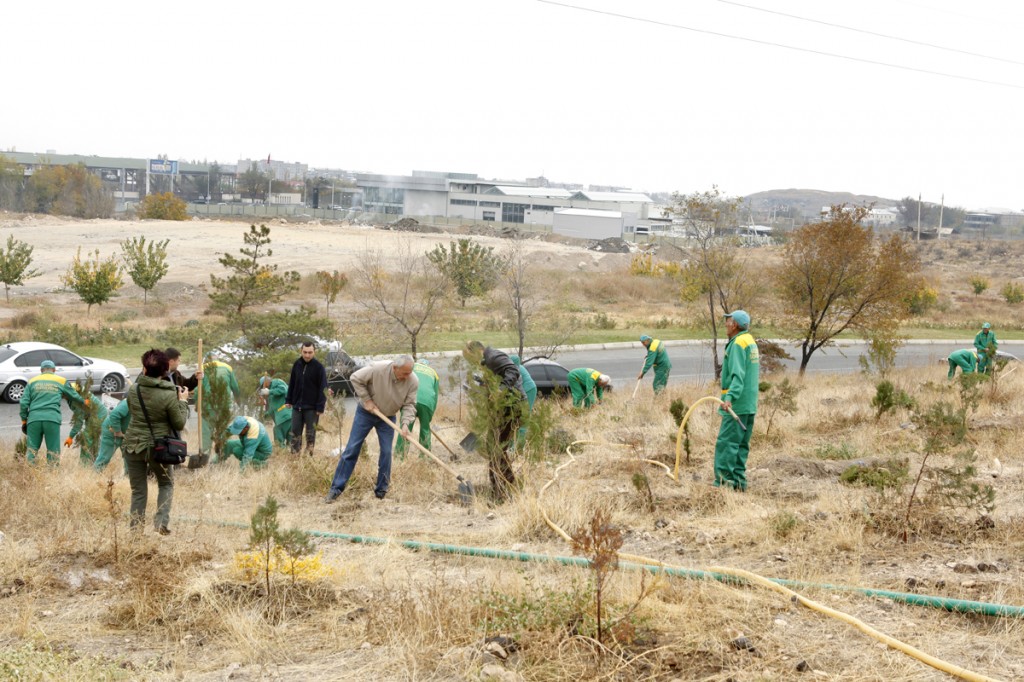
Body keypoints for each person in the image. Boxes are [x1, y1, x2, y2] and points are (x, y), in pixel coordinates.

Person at [325, 356, 417, 503]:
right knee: (352, 448)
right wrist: (367, 400)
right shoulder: (378, 369)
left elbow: (409, 404)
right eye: (405, 373)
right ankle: (335, 489)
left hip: (388, 418)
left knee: (386, 452)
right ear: (395, 368)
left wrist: (405, 424)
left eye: (410, 373)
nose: (408, 376)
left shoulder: (412, 381)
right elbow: (355, 378)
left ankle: (381, 491)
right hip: (366, 413)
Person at [123, 349, 189, 535]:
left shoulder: (134, 390)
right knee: (165, 484)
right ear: (165, 371)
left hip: (133, 445)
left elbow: (133, 411)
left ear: (144, 369)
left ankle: (135, 531)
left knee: (138, 491)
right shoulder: (169, 394)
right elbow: (179, 423)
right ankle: (161, 524)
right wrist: (183, 402)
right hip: (158, 447)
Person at [462, 341, 527, 494]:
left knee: (497, 447)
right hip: (503, 409)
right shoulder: (487, 361)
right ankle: (505, 485)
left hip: (512, 407)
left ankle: (501, 489)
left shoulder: (494, 356)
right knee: (495, 447)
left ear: (478, 351)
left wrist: (500, 389)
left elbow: (513, 371)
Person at [714, 310, 760, 492]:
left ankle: (723, 486)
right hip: (749, 404)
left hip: (737, 405)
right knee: (741, 445)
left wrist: (729, 398)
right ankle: (739, 484)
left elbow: (738, 375)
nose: (726, 324)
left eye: (728, 321)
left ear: (734, 325)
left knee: (727, 444)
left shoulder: (737, 344)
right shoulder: (749, 340)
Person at [20, 360, 86, 465]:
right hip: (52, 419)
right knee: (53, 450)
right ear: (54, 370)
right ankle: (52, 471)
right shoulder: (61, 381)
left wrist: (24, 420)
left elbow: (24, 403)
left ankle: (29, 471)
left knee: (32, 449)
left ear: (41, 370)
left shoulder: (31, 381)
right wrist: (84, 401)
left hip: (34, 419)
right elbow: (74, 395)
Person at [285, 341, 328, 456]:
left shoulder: (319, 367)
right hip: (297, 406)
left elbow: (323, 388)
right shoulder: (297, 364)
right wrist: (289, 399)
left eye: (310, 352)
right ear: (301, 351)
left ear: (314, 352)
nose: (307, 355)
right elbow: (292, 383)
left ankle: (309, 457)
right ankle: (295, 456)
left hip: (312, 408)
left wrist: (320, 407)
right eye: (305, 352)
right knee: (295, 433)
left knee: (310, 434)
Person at [395, 360, 440, 458]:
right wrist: (429, 415)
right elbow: (435, 395)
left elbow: (402, 382)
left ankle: (399, 455)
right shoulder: (434, 373)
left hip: (411, 399)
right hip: (427, 402)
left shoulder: (411, 367)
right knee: (425, 430)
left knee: (405, 427)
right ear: (428, 366)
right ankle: (424, 457)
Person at [200, 352, 240, 455]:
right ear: (217, 358)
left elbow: (198, 389)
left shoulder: (202, 368)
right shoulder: (227, 367)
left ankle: (205, 455)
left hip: (208, 405)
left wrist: (197, 403)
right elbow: (235, 387)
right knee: (222, 430)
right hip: (224, 405)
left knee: (207, 432)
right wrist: (238, 401)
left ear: (207, 360)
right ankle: (221, 455)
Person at [67, 384, 109, 466]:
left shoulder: (77, 399)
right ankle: (95, 462)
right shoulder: (72, 388)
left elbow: (78, 422)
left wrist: (70, 437)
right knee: (93, 440)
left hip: (98, 415)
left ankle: (85, 465)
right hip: (92, 415)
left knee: (87, 438)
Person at [95, 397, 130, 474]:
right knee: (105, 457)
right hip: (112, 431)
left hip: (126, 433)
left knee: (130, 458)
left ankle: (128, 478)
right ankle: (95, 475)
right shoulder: (128, 402)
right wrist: (117, 431)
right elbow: (114, 415)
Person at [510, 354, 537, 449]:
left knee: (523, 417)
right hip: (522, 391)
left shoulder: (514, 369)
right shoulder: (509, 368)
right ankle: (512, 443)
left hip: (528, 389)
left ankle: (519, 446)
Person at [259, 375, 292, 446]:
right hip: (285, 417)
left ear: (266, 382)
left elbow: (284, 390)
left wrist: (269, 391)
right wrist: (265, 415)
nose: (263, 388)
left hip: (284, 415)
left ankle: (280, 450)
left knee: (277, 433)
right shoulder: (271, 396)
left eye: (263, 386)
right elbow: (272, 409)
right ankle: (290, 452)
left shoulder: (276, 382)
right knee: (291, 442)